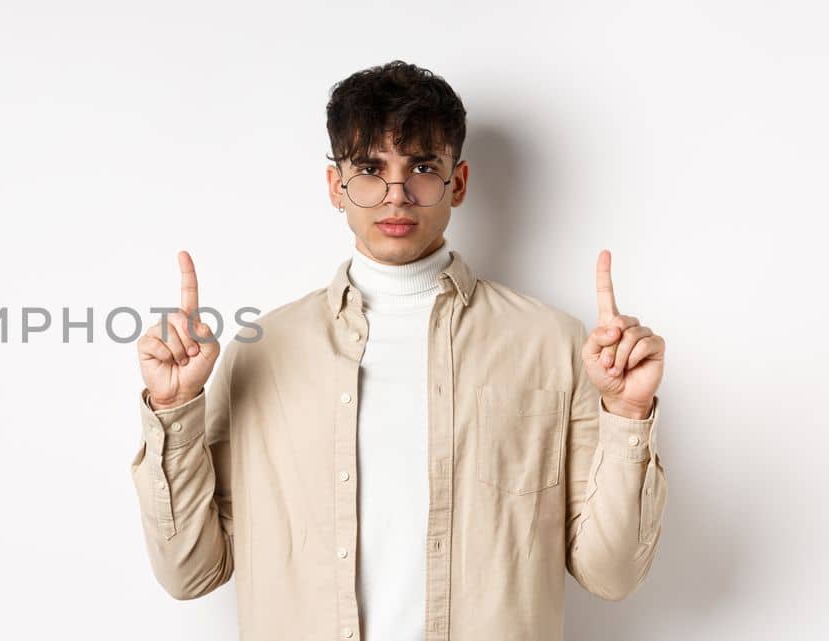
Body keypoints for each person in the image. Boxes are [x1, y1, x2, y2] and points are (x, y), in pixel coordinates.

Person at [128, 60, 667, 641]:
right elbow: (190, 573)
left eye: (423, 168)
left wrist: (628, 415)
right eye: (369, 169)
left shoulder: (552, 344)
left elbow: (611, 575)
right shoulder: (264, 353)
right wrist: (176, 411)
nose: (397, 194)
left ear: (457, 183)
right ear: (336, 185)